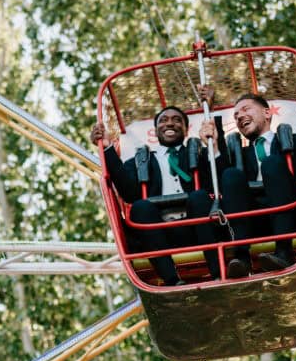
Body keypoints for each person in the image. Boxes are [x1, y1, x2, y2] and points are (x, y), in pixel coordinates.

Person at [91, 106, 222, 286]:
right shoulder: (141, 161)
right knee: (140, 207)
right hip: (160, 235)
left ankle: (218, 272)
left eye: (177, 120)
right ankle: (172, 279)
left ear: (186, 129)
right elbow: (128, 193)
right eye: (163, 120)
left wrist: (212, 142)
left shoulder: (198, 154)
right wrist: (107, 149)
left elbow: (216, 179)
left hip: (197, 228)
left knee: (199, 196)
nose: (170, 123)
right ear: (155, 130)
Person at [201, 87, 296, 276]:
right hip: (254, 218)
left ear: (267, 113)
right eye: (236, 116)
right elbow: (217, 182)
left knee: (271, 163)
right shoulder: (240, 156)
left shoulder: (290, 142)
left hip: (292, 212)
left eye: (246, 109)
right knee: (231, 175)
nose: (240, 117)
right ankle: (241, 256)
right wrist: (214, 143)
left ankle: (284, 250)